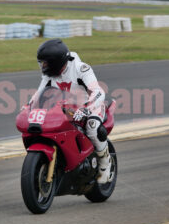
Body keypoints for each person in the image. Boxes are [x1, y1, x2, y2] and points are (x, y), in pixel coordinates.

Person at [30, 38, 112, 184]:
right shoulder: (49, 74)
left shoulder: (81, 69)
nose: (43, 66)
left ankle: (105, 164)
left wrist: (87, 108)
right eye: (41, 62)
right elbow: (39, 93)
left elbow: (98, 91)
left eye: (45, 63)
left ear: (55, 62)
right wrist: (29, 107)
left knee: (92, 126)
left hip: (90, 106)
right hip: (66, 108)